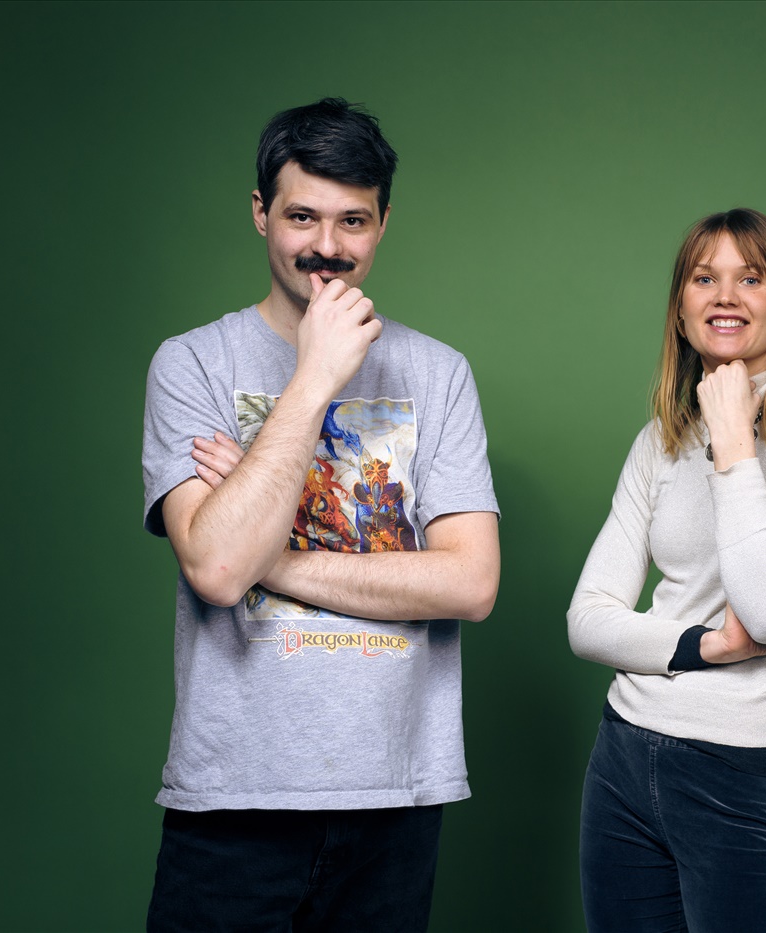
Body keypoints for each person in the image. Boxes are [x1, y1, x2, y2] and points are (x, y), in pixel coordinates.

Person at [141, 98, 500, 932]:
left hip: (395, 797)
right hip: (233, 798)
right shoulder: (192, 364)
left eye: (353, 221)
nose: (327, 246)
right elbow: (217, 569)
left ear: (383, 224)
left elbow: (471, 582)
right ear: (261, 212)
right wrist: (314, 380)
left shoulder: (439, 373)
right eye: (302, 216)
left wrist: (271, 558)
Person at [567, 208, 766, 932]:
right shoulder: (659, 439)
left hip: (741, 772)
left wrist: (734, 437)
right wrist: (705, 646)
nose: (726, 296)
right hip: (621, 758)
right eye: (704, 278)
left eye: (751, 277)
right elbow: (587, 619)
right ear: (681, 313)